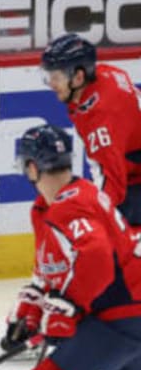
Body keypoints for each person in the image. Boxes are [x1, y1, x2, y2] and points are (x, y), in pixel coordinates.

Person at [1, 124, 141, 370]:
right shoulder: (55, 204)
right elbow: (51, 267)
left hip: (121, 315)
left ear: (32, 167)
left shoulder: (71, 205)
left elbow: (97, 256)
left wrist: (71, 305)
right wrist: (32, 306)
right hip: (125, 315)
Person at [41, 33, 141, 230]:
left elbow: (113, 184)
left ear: (78, 77)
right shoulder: (103, 74)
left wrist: (93, 222)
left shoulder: (100, 118)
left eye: (56, 76)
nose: (51, 83)